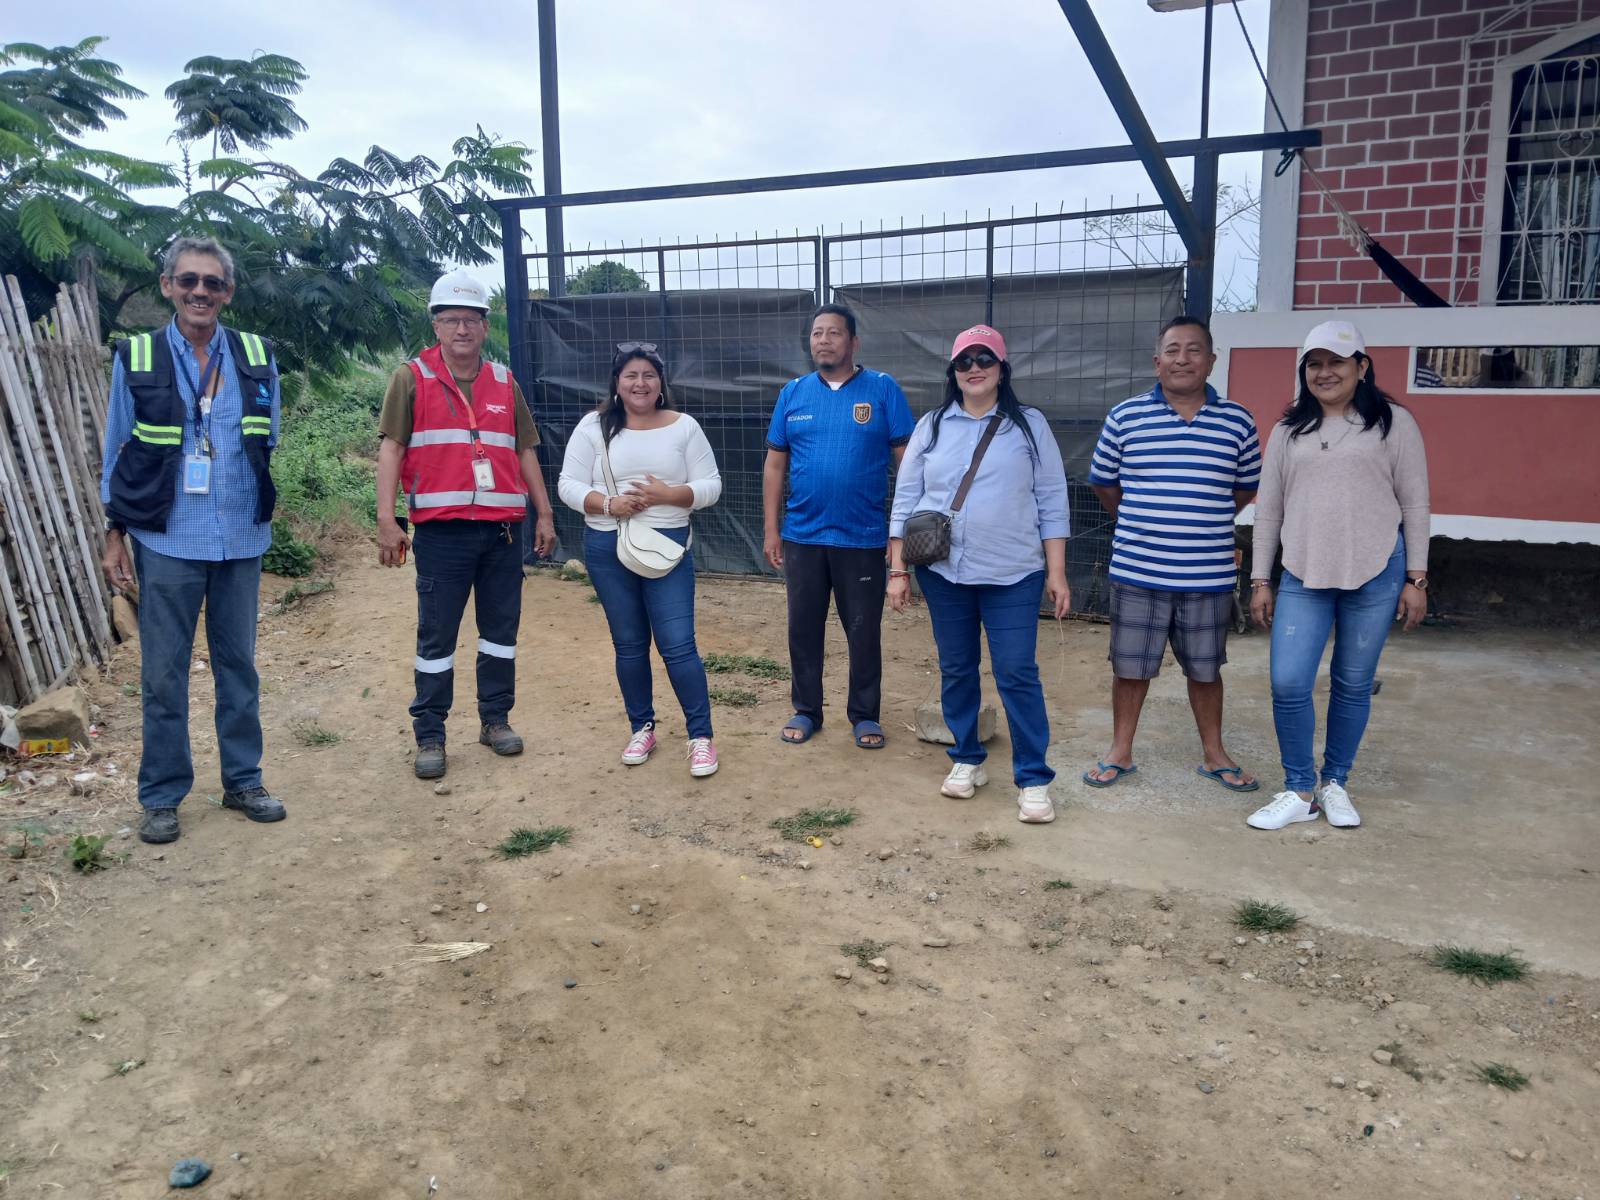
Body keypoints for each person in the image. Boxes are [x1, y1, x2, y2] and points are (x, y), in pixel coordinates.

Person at [99, 236, 285, 844]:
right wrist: (114, 533)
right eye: (188, 281)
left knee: (239, 668)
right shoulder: (139, 356)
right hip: (167, 538)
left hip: (241, 539)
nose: (199, 292)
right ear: (168, 287)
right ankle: (161, 795)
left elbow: (268, 438)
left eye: (212, 282)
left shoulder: (257, 354)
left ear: (227, 292)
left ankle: (244, 781)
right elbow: (116, 450)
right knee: (163, 673)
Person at [1246, 320, 1430, 830]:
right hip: (1303, 572)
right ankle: (1299, 789)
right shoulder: (1289, 432)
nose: (1324, 373)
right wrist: (1261, 580)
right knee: (1288, 682)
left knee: (1352, 682)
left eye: (1336, 362)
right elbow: (1269, 511)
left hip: (1376, 571)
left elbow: (1415, 504)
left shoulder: (1392, 423)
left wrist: (1417, 579)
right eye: (1314, 364)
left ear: (1361, 367)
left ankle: (1335, 783)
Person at [376, 269, 556, 780]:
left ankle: (495, 720)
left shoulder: (503, 381)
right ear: (435, 325)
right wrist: (386, 519)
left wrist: (544, 514)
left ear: (484, 326)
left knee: (500, 633)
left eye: (471, 320)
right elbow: (391, 449)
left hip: (501, 532)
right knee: (437, 638)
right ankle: (430, 734)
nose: (462, 329)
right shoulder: (411, 378)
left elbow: (525, 450)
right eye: (451, 319)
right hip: (443, 533)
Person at [888, 325, 1071, 824]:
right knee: (957, 667)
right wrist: (898, 569)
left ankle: (1033, 778)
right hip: (945, 573)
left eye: (984, 359)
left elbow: (1052, 499)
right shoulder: (932, 425)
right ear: (953, 371)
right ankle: (967, 757)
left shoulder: (1028, 426)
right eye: (964, 360)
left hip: (1014, 572)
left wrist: (1056, 572)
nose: (974, 368)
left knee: (1016, 671)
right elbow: (906, 499)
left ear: (1002, 369)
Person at [1084, 316, 1262, 792]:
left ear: (1211, 360)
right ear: (1156, 361)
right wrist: (1144, 520)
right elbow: (1104, 484)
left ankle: (1215, 754)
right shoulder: (1125, 417)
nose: (1183, 359)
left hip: (1207, 574)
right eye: (1173, 350)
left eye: (1194, 349)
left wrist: (1201, 518)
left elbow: (1245, 488)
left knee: (1206, 670)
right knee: (1130, 668)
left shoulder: (1238, 420)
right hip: (1138, 570)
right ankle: (1120, 751)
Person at [558, 344, 723, 776]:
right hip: (607, 545)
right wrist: (607, 504)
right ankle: (641, 727)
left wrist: (669, 494)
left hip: (667, 546)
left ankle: (700, 737)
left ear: (660, 382)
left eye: (649, 375)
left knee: (678, 644)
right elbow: (568, 484)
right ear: (617, 382)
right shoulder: (594, 427)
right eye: (631, 375)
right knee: (629, 644)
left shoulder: (684, 427)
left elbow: (711, 485)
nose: (640, 383)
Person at [762, 303, 915, 749]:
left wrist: (898, 538)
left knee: (864, 631)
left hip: (862, 538)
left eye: (833, 332)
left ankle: (864, 715)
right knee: (803, 629)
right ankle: (806, 709)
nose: (823, 340)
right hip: (802, 536)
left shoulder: (882, 389)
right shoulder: (793, 393)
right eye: (817, 333)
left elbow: (908, 467)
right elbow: (774, 465)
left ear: (854, 342)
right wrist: (771, 529)